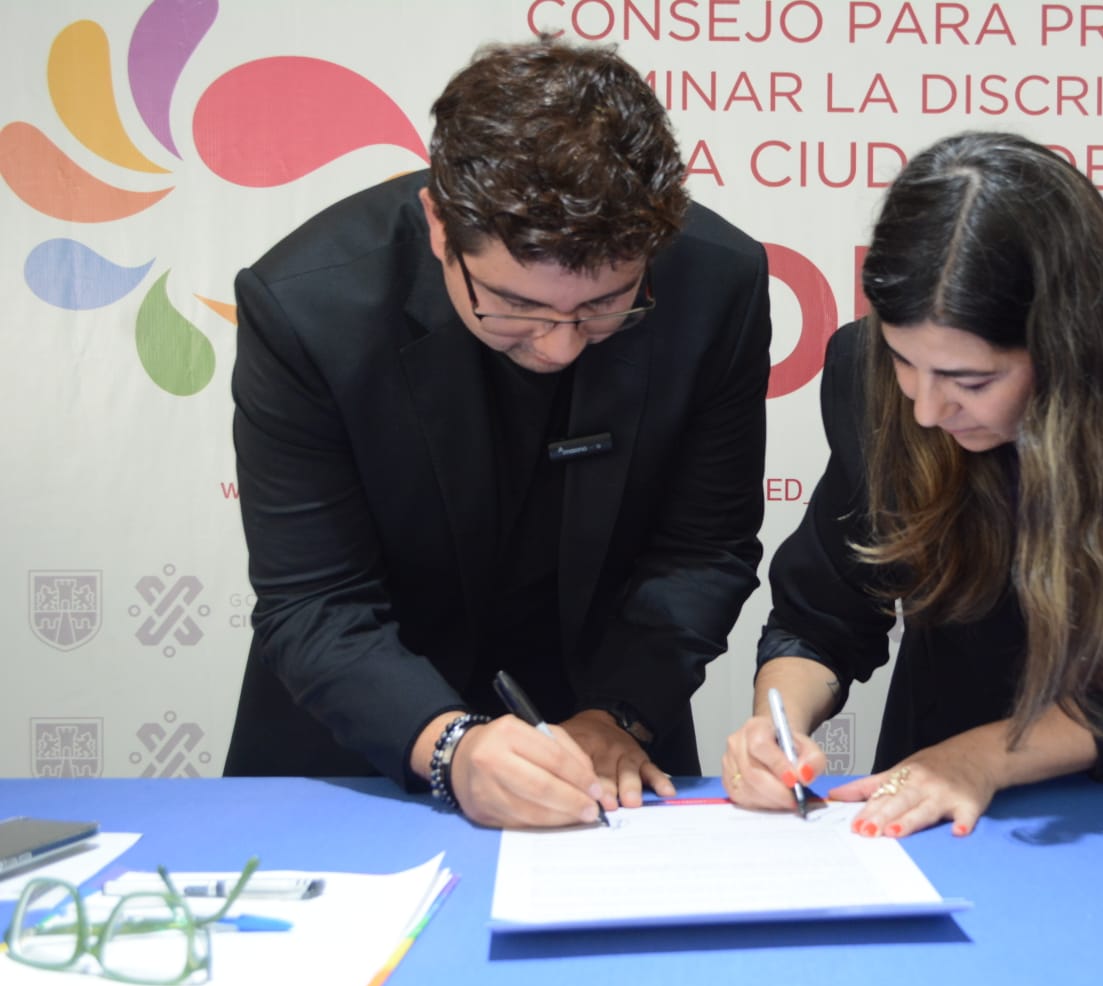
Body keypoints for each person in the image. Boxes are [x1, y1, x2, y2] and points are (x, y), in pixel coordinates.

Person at [723, 131, 1103, 838]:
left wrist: (984, 756)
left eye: (972, 381)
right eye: (904, 362)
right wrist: (775, 722)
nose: (927, 410)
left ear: (1067, 348)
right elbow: (822, 616)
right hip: (959, 778)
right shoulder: (870, 374)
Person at [224, 40, 771, 829]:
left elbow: (703, 549)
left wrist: (617, 715)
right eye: (513, 307)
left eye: (604, 306)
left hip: (604, 733)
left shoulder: (718, 283)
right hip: (366, 739)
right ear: (440, 225)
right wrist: (449, 746)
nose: (559, 346)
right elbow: (314, 601)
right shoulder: (307, 309)